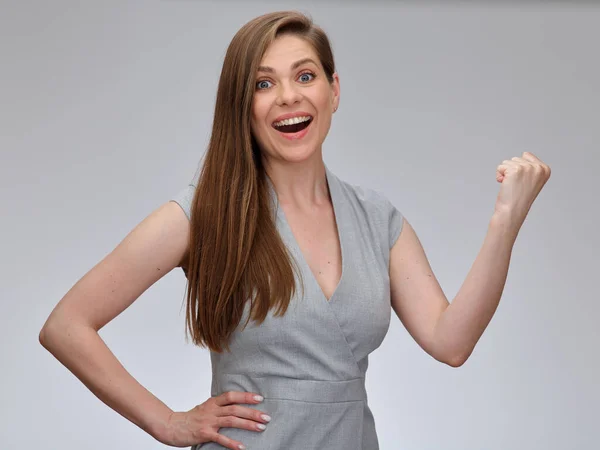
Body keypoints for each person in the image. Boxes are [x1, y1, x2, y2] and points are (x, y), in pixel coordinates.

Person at [38, 10, 551, 450]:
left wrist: (505, 222)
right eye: (263, 84)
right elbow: (67, 325)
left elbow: (451, 342)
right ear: (243, 107)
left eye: (305, 76)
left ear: (334, 90)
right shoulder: (206, 212)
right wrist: (167, 422)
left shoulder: (378, 219)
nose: (288, 96)